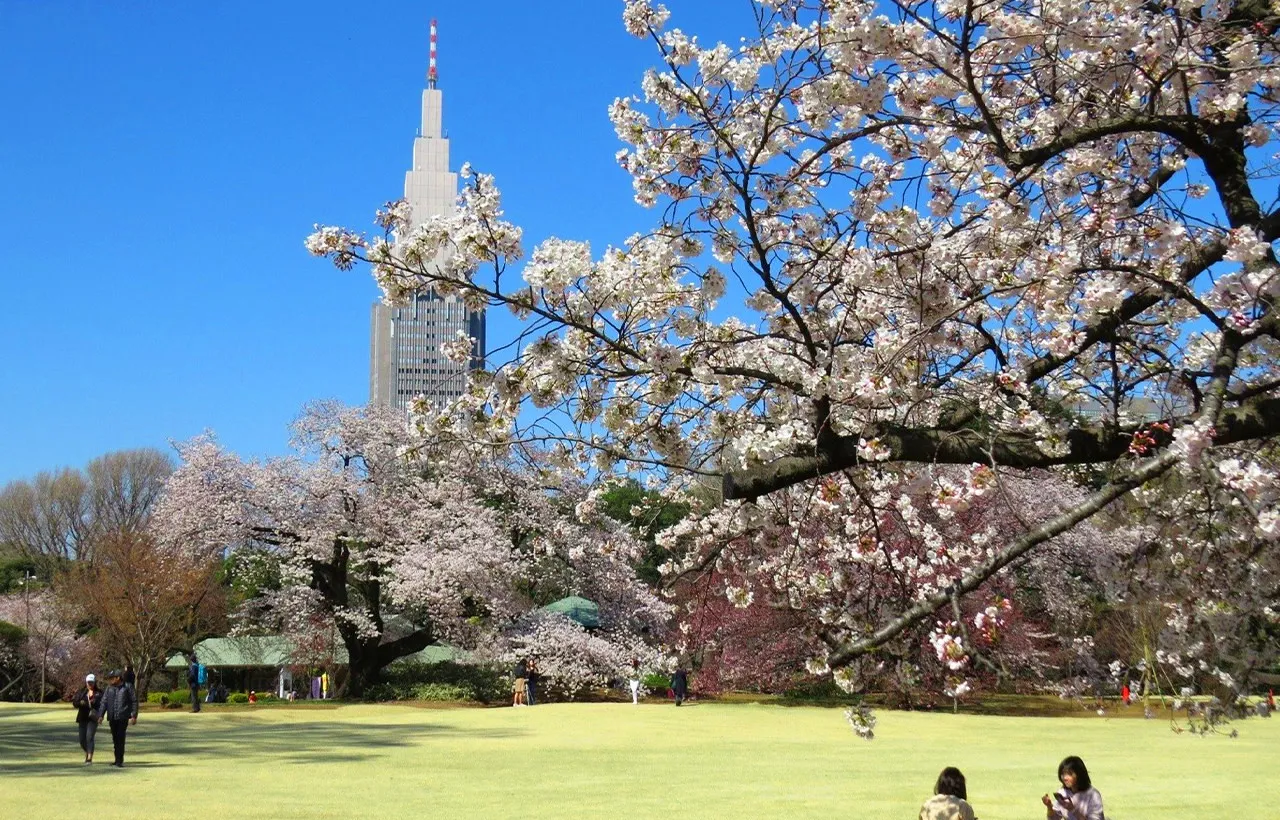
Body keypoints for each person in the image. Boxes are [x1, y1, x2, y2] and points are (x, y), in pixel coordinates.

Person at [96, 669, 137, 768]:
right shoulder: (109, 688)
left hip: (122, 717)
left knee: (120, 738)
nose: (110, 680)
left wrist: (134, 715)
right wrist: (100, 715)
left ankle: (120, 760)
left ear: (118, 678)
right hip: (112, 717)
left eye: (112, 678)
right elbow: (104, 702)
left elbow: (134, 701)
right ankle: (116, 759)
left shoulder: (128, 687)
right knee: (115, 739)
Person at [1042, 755, 1105, 820]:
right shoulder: (1063, 792)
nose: (1065, 778)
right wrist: (1049, 806)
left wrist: (1073, 809)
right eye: (1063, 774)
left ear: (1079, 774)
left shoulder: (1093, 795)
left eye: (1069, 774)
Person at [71, 673, 104, 765]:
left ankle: (89, 757)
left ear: (95, 682)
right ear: (86, 682)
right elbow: (75, 703)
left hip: (93, 717)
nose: (90, 684)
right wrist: (81, 703)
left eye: (92, 682)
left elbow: (102, 704)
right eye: (88, 682)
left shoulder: (100, 693)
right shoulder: (81, 692)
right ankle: (88, 751)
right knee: (82, 740)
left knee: (89, 737)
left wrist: (100, 714)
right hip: (83, 717)